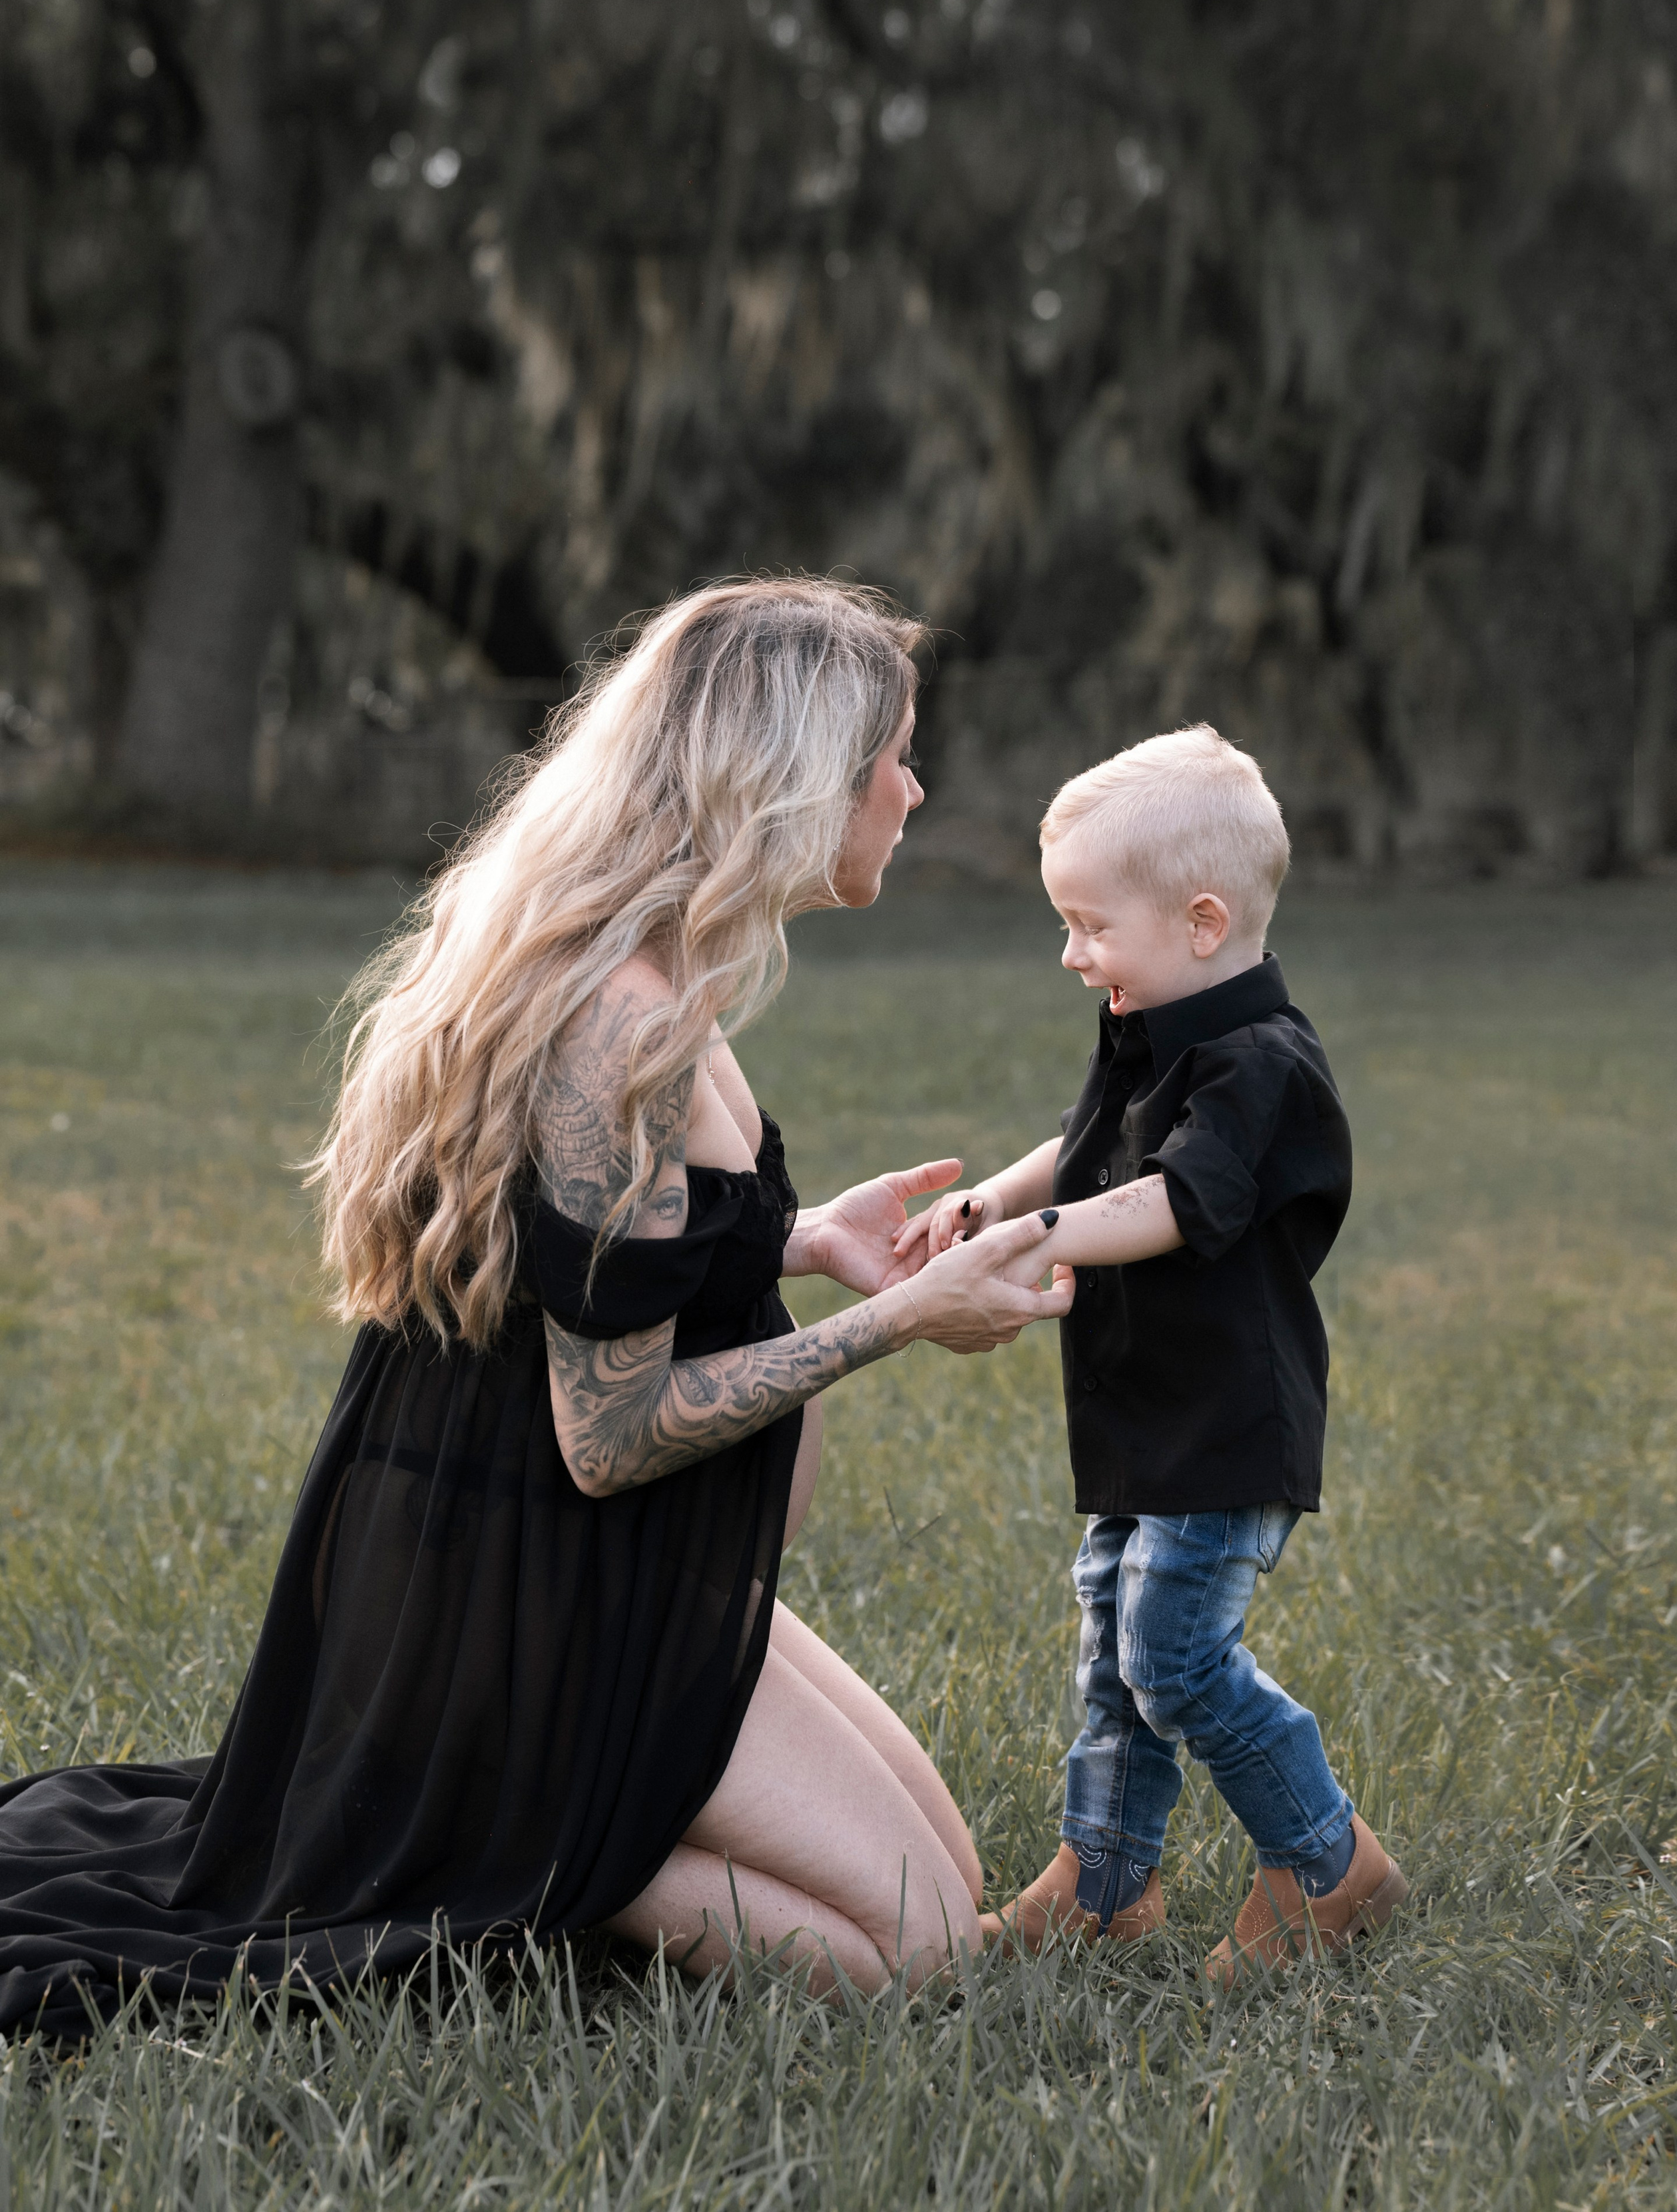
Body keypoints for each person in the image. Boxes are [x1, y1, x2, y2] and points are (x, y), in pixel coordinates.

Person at [0, 578, 1071, 2041]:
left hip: (583, 1562)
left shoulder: (651, 984)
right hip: (530, 1586)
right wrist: (903, 1321)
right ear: (792, 777)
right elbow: (608, 1431)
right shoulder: (621, 1025)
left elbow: (585, 1269)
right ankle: (520, 1833)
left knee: (945, 1880)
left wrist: (807, 1241)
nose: (911, 784)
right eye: (889, 752)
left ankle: (538, 1809)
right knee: (919, 1952)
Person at [896, 724, 1407, 1982]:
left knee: (1172, 1654)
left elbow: (1175, 1201)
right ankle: (1107, 1880)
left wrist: (1041, 1235)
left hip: (1228, 1423)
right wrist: (990, 1205)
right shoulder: (1152, 1025)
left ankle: (1330, 1863)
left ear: (1200, 920)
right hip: (1143, 1412)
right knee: (1113, 1647)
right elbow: (1081, 1148)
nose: (1072, 954)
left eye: (1089, 926)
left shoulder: (1262, 1066)